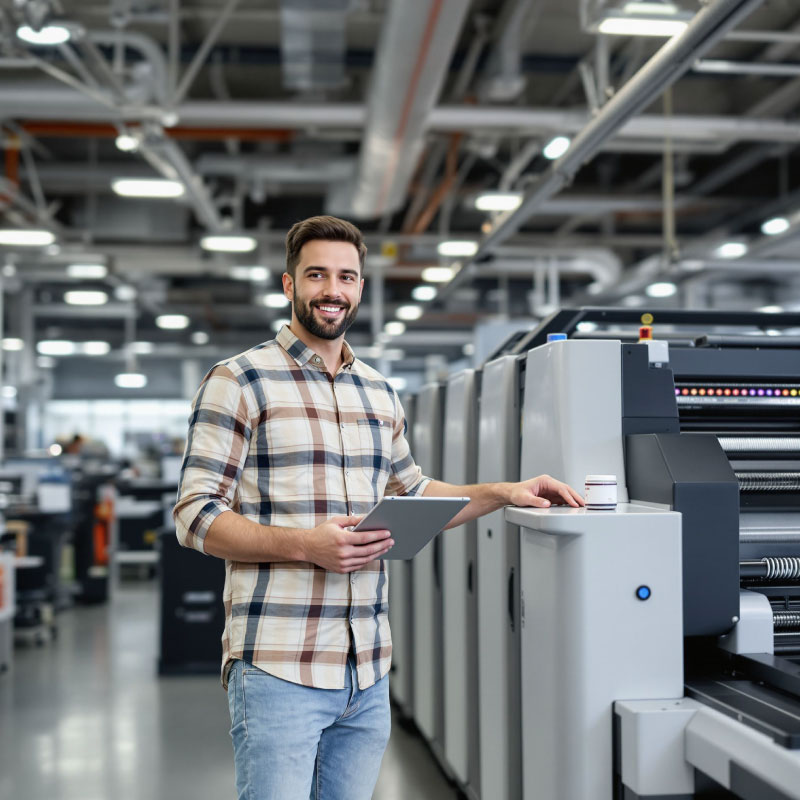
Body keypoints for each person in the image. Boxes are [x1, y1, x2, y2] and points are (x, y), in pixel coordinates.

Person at [173, 215, 584, 800]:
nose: (332, 290)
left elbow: (412, 494)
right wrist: (304, 544)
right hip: (278, 666)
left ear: (361, 287)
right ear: (289, 285)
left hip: (366, 669)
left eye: (346, 276)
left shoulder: (378, 392)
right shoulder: (239, 381)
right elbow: (194, 515)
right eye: (316, 275)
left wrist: (502, 492)